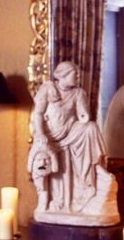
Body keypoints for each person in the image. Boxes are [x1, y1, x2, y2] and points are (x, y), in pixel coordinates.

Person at [28, 60, 109, 216]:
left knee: (91, 127)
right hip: (50, 137)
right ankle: (45, 198)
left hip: (71, 131)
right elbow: (37, 114)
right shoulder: (47, 89)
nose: (78, 77)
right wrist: (40, 133)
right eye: (75, 74)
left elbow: (82, 116)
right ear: (63, 76)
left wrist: (84, 114)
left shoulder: (79, 93)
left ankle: (96, 166)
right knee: (41, 155)